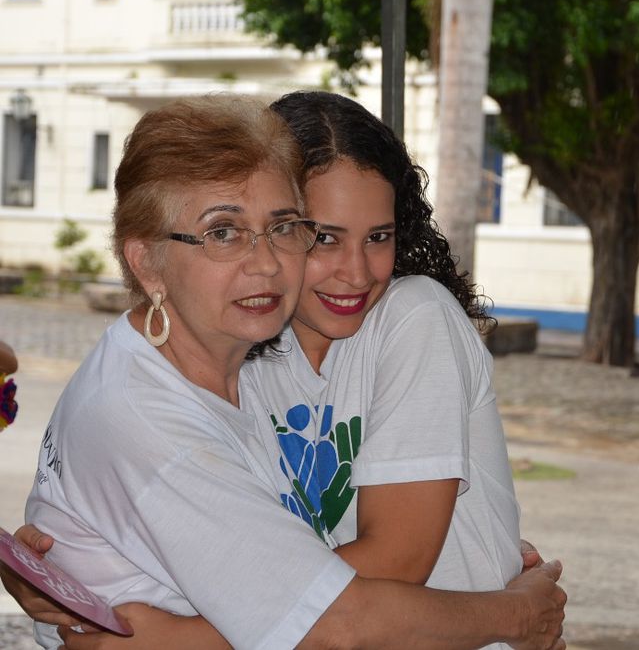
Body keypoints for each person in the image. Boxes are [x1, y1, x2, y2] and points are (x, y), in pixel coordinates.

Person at [3, 95, 567, 650]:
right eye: (222, 232)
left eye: (282, 229)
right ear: (145, 260)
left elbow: (353, 568)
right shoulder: (196, 389)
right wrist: (513, 614)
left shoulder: (257, 355)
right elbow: (322, 620)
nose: (267, 262)